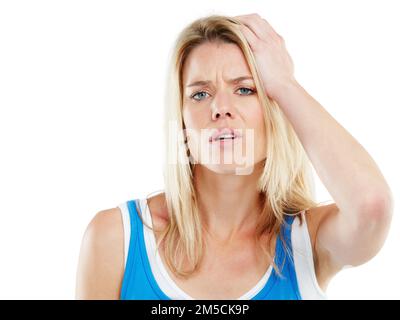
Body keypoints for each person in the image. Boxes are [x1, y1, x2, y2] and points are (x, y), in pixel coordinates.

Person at [75, 13, 393, 300]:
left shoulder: (306, 242)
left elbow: (371, 207)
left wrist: (284, 84)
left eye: (245, 89)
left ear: (276, 112)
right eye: (200, 93)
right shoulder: (114, 240)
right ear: (182, 122)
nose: (220, 107)